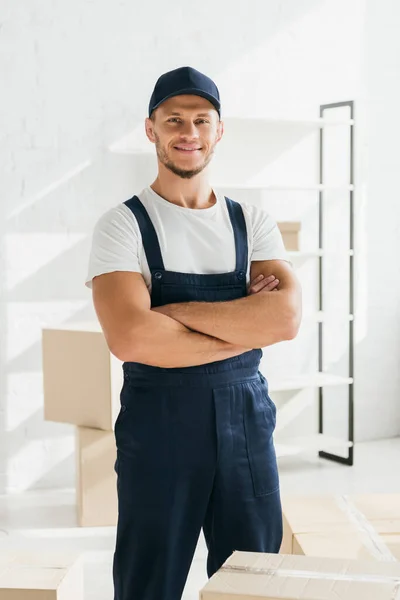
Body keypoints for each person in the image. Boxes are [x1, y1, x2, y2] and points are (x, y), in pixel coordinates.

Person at [85, 66, 302, 600]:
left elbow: (285, 320)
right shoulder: (123, 226)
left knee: (254, 581)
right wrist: (242, 323)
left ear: (219, 131)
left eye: (202, 120)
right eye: (174, 120)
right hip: (158, 425)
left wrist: (171, 313)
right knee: (147, 583)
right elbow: (131, 338)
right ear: (150, 129)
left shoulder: (252, 222)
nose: (189, 132)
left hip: (246, 424)